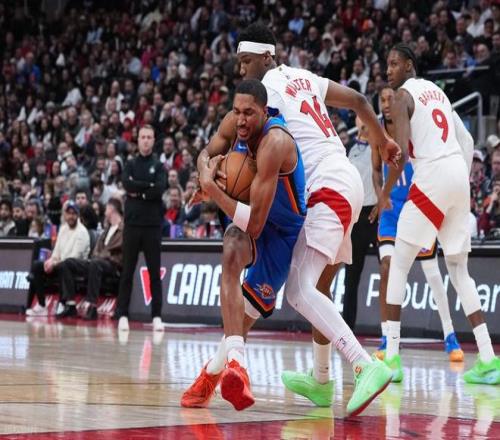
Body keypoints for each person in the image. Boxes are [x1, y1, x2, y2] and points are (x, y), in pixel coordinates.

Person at [184, 23, 399, 416]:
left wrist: (211, 180)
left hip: (324, 187)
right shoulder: (304, 77)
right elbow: (357, 100)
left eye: (245, 61)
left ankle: (365, 365)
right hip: (341, 181)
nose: (241, 69)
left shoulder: (268, 94)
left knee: (299, 290)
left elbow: (229, 137)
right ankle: (319, 380)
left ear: (267, 56)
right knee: (315, 287)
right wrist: (383, 141)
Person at [183, 79, 307, 411]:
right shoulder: (232, 123)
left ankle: (211, 373)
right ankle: (238, 364)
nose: (240, 119)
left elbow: (255, 223)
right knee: (230, 250)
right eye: (236, 111)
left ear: (264, 112)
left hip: (282, 232)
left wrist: (213, 190)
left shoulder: (274, 141)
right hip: (250, 221)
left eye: (248, 113)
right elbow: (205, 154)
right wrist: (205, 171)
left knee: (245, 317)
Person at [381, 43, 499, 384]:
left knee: (399, 263)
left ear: (409, 65)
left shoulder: (403, 96)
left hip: (432, 175)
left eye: (394, 64)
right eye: (387, 65)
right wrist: (458, 183)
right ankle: (488, 359)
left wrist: (385, 193)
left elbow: (401, 154)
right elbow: (466, 140)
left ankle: (391, 358)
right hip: (458, 177)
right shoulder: (438, 93)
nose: (388, 71)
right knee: (460, 271)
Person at [372, 86, 464, 367]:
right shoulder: (377, 132)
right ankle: (386, 337)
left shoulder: (411, 125)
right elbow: (375, 170)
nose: (387, 103)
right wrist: (380, 195)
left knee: (432, 274)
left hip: (416, 203)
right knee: (386, 267)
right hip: (391, 211)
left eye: (390, 98)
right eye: (382, 99)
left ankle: (450, 335)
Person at [114, 125, 166, 332]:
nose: (145, 140)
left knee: (154, 273)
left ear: (153, 140)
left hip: (152, 226)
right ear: (138, 140)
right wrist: (147, 187)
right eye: (142, 137)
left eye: (149, 137)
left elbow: (159, 188)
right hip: (132, 225)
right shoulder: (130, 164)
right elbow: (127, 184)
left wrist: (140, 192)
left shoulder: (159, 166)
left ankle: (157, 316)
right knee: (127, 271)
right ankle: (122, 315)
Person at [57, 198, 124, 320]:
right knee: (68, 263)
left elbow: (116, 250)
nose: (104, 212)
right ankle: (70, 304)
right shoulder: (107, 229)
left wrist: (100, 256)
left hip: (113, 264)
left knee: (95, 263)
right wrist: (98, 256)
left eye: (106, 208)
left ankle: (92, 306)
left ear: (111, 209)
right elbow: (96, 250)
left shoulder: (124, 229)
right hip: (97, 261)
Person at [342, 117, 379, 330]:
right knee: (351, 277)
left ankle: (390, 332)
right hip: (356, 218)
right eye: (359, 117)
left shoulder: (378, 144)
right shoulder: (348, 149)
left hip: (376, 214)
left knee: (389, 270)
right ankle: (348, 329)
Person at [25, 201, 90, 316]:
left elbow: (74, 258)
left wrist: (55, 264)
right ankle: (41, 305)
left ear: (78, 215)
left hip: (75, 268)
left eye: (74, 213)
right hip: (61, 264)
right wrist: (50, 261)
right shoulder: (63, 229)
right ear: (65, 215)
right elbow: (56, 252)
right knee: (37, 265)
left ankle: (62, 303)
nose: (71, 216)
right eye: (69, 213)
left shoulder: (82, 232)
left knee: (63, 266)